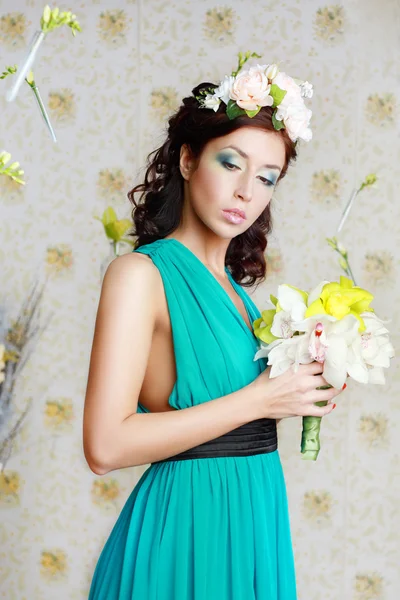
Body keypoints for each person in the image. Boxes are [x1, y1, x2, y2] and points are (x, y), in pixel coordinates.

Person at [83, 53, 343, 599]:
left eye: (267, 177)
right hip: (186, 532)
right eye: (231, 163)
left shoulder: (241, 299)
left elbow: (240, 421)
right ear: (186, 160)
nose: (247, 190)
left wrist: (303, 387)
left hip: (255, 523)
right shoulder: (141, 276)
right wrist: (260, 399)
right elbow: (104, 446)